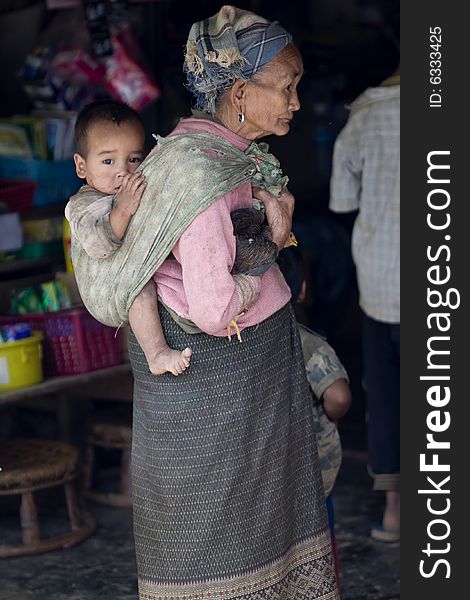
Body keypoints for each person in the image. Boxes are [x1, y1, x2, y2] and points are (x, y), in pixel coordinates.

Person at [99, 5, 339, 599]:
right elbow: (215, 308)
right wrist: (273, 254)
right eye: (286, 87)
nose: (296, 102)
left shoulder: (226, 153)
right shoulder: (203, 178)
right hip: (216, 410)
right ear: (238, 93)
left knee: (260, 541)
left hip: (245, 406)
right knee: (220, 559)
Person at [65, 100, 193, 376]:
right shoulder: (82, 205)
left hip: (141, 268)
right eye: (108, 160)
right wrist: (122, 209)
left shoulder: (136, 187)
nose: (122, 171)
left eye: (134, 159)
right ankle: (156, 353)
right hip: (111, 285)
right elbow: (98, 245)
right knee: (140, 291)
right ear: (81, 166)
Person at [329, 64, 400, 542]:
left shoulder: (363, 117)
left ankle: (397, 512)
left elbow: (341, 202)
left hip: (381, 282)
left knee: (390, 394)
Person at [277, 247, 352, 583]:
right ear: (303, 290)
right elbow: (338, 395)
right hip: (313, 474)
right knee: (320, 535)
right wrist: (331, 414)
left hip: (267, 481)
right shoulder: (309, 344)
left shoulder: (243, 350)